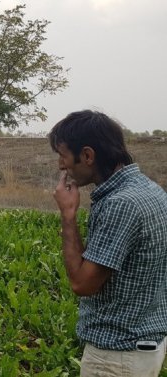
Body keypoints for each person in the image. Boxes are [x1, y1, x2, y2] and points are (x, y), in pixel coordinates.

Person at [49, 110, 167, 376]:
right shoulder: (149, 189)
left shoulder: (120, 204)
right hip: (143, 345)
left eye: (63, 155)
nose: (60, 165)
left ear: (88, 156)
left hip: (117, 357)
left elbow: (82, 283)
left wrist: (68, 216)